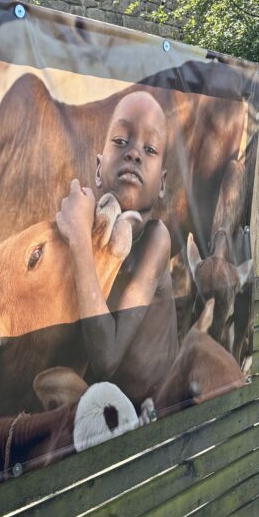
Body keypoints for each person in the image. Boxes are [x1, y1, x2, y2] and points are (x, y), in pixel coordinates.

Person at [55, 91, 178, 406]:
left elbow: (107, 359)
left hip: (149, 408)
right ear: (98, 169)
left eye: (149, 149)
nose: (134, 154)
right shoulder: (91, 221)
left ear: (162, 183)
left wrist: (79, 238)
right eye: (121, 141)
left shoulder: (156, 238)